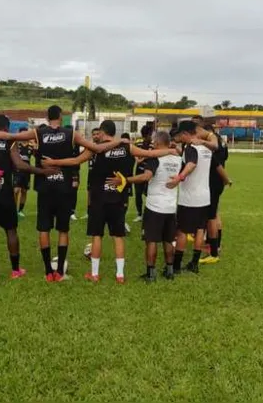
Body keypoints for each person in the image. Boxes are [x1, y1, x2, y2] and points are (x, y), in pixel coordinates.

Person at [0, 105, 124, 282]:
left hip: (45, 187)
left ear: (46, 116)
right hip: (64, 188)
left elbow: (9, 136)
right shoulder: (70, 133)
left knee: (44, 229)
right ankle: (59, 272)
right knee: (63, 230)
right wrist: (120, 142)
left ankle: (47, 272)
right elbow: (96, 148)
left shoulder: (38, 133)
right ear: (60, 116)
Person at [43, 120, 177, 283]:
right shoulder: (127, 147)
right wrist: (171, 150)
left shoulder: (95, 148)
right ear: (115, 132)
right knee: (118, 236)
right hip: (118, 198)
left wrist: (53, 162)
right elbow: (150, 154)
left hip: (99, 198)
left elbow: (75, 161)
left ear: (103, 132)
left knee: (97, 236)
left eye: (98, 132)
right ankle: (120, 275)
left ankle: (95, 274)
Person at [0, 115, 57, 282]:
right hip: (4, 193)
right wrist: (41, 171)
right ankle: (15, 270)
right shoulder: (9, 142)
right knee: (11, 231)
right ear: (6, 129)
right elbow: (19, 165)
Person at [118, 131, 182, 282]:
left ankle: (151, 273)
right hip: (171, 206)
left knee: (151, 240)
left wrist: (126, 180)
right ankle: (170, 270)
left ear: (159, 143)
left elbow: (146, 176)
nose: (152, 144)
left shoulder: (155, 158)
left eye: (154, 142)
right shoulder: (178, 159)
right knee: (168, 239)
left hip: (155, 206)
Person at [167, 121, 214, 274]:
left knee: (182, 231)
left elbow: (192, 164)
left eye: (181, 135)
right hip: (204, 197)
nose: (180, 138)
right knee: (200, 230)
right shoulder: (206, 148)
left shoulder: (191, 148)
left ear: (186, 134)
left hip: (190, 198)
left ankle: (176, 266)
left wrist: (179, 177)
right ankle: (194, 263)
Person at [202, 120, 232, 264]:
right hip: (217, 181)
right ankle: (213, 244)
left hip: (213, 181)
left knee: (211, 216)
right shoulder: (222, 141)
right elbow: (225, 159)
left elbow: (216, 164)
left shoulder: (211, 144)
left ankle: (214, 248)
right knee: (215, 213)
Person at [133, 124, 154, 223]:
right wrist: (141, 158)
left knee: (141, 193)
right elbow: (149, 153)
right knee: (146, 194)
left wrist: (139, 158)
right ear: (150, 133)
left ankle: (141, 214)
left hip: (143, 170)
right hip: (148, 170)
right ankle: (143, 214)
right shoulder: (149, 142)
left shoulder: (148, 142)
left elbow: (135, 154)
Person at [13, 127, 34, 218]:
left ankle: (20, 210)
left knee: (24, 191)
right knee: (16, 190)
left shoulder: (31, 146)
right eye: (23, 134)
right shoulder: (15, 145)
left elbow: (37, 155)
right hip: (17, 171)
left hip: (27, 172)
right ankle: (13, 210)